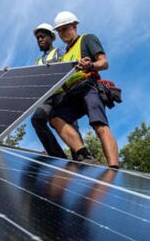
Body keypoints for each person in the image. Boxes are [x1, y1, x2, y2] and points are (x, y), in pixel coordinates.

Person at [49, 11, 119, 169]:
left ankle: (114, 168)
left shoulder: (86, 39)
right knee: (55, 118)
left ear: (74, 26)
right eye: (59, 31)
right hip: (72, 93)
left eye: (65, 28)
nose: (62, 33)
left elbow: (104, 62)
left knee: (98, 124)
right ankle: (83, 154)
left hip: (89, 86)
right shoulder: (65, 54)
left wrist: (91, 65)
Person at [30, 23, 82, 159]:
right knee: (37, 119)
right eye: (38, 38)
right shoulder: (37, 62)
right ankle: (57, 156)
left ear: (51, 38)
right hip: (47, 98)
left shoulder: (59, 52)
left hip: (62, 94)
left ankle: (81, 156)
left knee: (69, 123)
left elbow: (70, 66)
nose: (40, 40)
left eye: (42, 37)